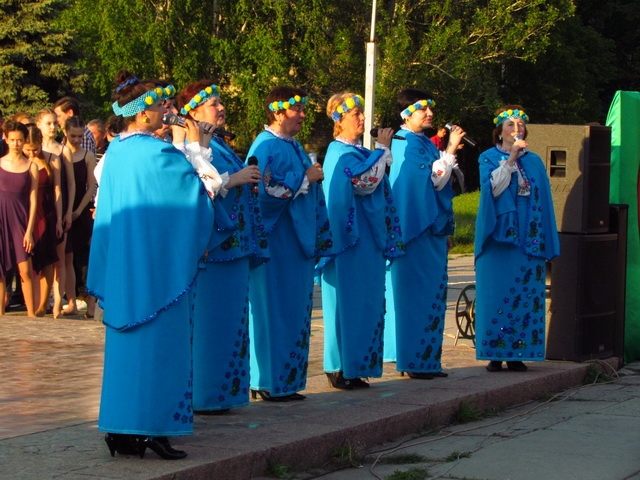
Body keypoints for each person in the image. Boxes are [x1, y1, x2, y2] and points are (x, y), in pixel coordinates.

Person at [87, 70, 219, 459]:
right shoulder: (157, 153)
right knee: (163, 348)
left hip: (125, 271)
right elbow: (197, 195)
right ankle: (154, 429)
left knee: (127, 352)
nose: (167, 110)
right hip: (159, 272)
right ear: (142, 114)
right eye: (161, 105)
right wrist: (197, 148)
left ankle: (121, 430)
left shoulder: (117, 154)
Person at [175, 80, 269, 414]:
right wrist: (235, 179)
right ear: (194, 112)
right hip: (214, 249)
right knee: (211, 322)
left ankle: (224, 394)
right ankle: (205, 394)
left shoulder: (218, 143)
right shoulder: (188, 144)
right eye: (213, 103)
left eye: (220, 102)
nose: (221, 107)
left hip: (235, 246)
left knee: (231, 322)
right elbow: (194, 185)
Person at [246, 86, 332, 401]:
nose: (303, 115)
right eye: (298, 110)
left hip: (294, 243)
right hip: (277, 242)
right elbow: (264, 193)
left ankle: (282, 380)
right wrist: (306, 177)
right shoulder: (266, 146)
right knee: (274, 308)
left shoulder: (291, 145)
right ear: (279, 111)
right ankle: (268, 380)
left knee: (292, 309)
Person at [320, 93, 404, 389]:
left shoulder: (356, 153)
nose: (362, 118)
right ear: (339, 119)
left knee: (365, 303)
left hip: (365, 241)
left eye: (361, 113)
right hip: (348, 242)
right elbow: (365, 183)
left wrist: (378, 152)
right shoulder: (339, 153)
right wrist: (382, 149)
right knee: (345, 304)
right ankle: (340, 366)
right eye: (355, 113)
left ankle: (357, 366)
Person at [384, 88, 465, 379]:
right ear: (407, 114)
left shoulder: (420, 142)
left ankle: (425, 360)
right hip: (415, 230)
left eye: (431, 109)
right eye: (423, 110)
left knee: (431, 292)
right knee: (416, 294)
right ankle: (414, 360)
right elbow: (431, 181)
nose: (429, 114)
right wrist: (451, 149)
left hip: (430, 230)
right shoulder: (405, 143)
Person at [474, 105, 560, 372]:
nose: (517, 129)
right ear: (499, 132)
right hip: (499, 238)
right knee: (496, 293)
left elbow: (543, 199)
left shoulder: (533, 161)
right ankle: (495, 353)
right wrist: (510, 159)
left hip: (528, 237)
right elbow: (494, 190)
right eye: (510, 125)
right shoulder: (487, 157)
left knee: (525, 292)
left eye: (520, 125)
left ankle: (518, 351)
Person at [36, 108, 76, 318]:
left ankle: (57, 302)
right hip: (41, 205)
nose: (52, 127)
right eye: (48, 123)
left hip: (60, 205)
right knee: (41, 258)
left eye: (54, 123)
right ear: (39, 125)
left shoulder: (63, 150)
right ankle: (42, 298)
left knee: (60, 257)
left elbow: (69, 183)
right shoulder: (34, 149)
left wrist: (68, 212)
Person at [23, 126, 63, 316]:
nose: (31, 153)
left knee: (47, 258)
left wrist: (59, 219)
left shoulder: (51, 159)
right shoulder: (20, 161)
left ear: (41, 144)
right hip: (25, 213)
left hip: (46, 213)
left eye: (35, 149)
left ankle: (43, 303)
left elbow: (57, 190)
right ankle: (31, 301)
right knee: (28, 260)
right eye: (28, 149)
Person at [0, 122, 38, 317]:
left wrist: (29, 230)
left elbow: (33, 200)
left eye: (20, 140)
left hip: (20, 221)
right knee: (0, 274)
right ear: (5, 138)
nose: (16, 143)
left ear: (25, 141)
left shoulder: (31, 166)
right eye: (12, 139)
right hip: (1, 219)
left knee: (25, 271)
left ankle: (31, 315)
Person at [60, 116, 96, 317]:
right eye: (72, 136)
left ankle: (89, 299)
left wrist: (78, 211)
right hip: (63, 206)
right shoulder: (60, 153)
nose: (76, 140)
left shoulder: (88, 155)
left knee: (83, 257)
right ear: (65, 133)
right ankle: (70, 299)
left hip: (81, 208)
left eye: (80, 136)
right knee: (67, 257)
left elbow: (90, 187)